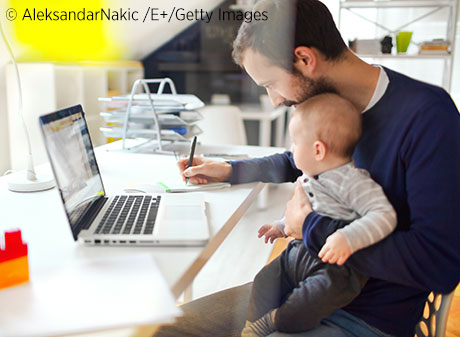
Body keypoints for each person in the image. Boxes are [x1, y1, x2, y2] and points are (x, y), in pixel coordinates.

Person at [154, 0, 460, 336]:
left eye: (271, 83)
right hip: (298, 285)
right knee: (166, 329)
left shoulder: (429, 119)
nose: (275, 100)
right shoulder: (334, 106)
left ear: (304, 59)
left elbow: (441, 265)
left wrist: (310, 226)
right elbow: (295, 160)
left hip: (360, 317)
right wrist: (230, 170)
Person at [242, 93, 397, 336]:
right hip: (299, 254)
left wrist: (348, 237)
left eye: (294, 143)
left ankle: (276, 320)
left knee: (301, 309)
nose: (291, 150)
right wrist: (282, 226)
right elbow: (304, 212)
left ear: (317, 149)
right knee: (264, 281)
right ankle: (253, 327)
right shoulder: (309, 174)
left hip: (336, 270)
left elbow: (384, 215)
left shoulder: (353, 181)